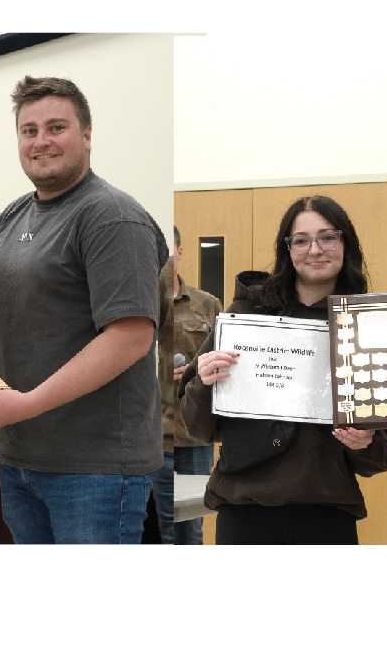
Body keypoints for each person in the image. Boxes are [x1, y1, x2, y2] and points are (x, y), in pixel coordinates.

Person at [0, 76, 169, 544]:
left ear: (87, 135)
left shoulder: (111, 216)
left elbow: (131, 336)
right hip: (22, 457)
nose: (41, 141)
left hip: (94, 469)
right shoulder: (12, 216)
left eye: (56, 127)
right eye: (29, 131)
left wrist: (27, 404)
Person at [181, 195, 387, 544]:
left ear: (346, 244)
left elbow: (379, 459)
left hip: (327, 514)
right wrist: (204, 383)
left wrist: (364, 442)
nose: (315, 249)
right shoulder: (245, 316)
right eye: (301, 240)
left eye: (328, 237)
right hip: (244, 511)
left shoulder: (366, 329)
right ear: (287, 249)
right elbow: (197, 427)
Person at [153, 225, 221, 544]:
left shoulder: (207, 305)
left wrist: (193, 371)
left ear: (180, 252)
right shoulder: (139, 304)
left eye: (170, 252)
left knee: (191, 529)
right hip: (153, 434)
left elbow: (224, 362)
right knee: (160, 527)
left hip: (194, 434)